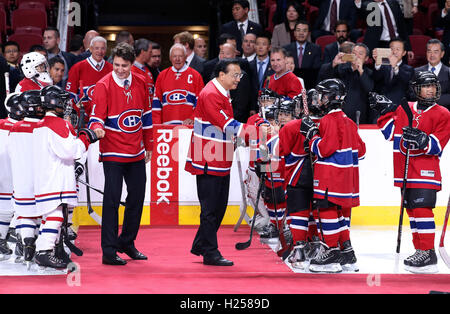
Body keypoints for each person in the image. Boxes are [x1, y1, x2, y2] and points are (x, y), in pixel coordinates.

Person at [185, 58, 266, 266]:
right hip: (208, 158)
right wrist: (260, 133)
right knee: (212, 209)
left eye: (240, 75)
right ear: (222, 75)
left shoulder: (221, 91)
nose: (238, 79)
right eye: (235, 75)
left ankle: (201, 244)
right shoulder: (211, 94)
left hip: (218, 158)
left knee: (217, 207)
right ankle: (210, 252)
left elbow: (227, 129)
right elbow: (228, 124)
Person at [372, 71, 450, 273]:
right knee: (412, 212)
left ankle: (428, 252)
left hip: (426, 171)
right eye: (425, 86)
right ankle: (420, 250)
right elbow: (390, 133)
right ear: (416, 89)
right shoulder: (404, 109)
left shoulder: (443, 113)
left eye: (433, 85)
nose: (430, 89)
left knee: (423, 210)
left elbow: (437, 145)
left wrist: (423, 140)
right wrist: (384, 112)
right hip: (404, 172)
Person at [89, 42, 152, 266]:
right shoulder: (103, 85)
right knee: (112, 201)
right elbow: (96, 115)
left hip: (136, 152)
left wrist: (149, 145)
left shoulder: (142, 82)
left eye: (124, 65)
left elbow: (146, 116)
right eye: (116, 64)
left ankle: (127, 242)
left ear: (132, 63)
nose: (119, 69)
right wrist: (97, 127)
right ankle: (108, 250)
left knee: (136, 199)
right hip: (113, 151)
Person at [301, 79, 366, 273]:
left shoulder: (328, 120)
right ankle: (346, 250)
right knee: (339, 215)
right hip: (347, 181)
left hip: (331, 178)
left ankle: (330, 250)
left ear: (332, 97)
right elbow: (362, 151)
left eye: (322, 95)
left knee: (328, 211)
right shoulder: (349, 121)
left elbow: (324, 149)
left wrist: (312, 136)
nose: (319, 99)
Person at [31, 85, 97, 269]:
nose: (66, 104)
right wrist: (86, 138)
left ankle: (48, 249)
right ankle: (44, 252)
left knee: (49, 216)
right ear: (55, 102)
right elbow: (71, 151)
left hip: (44, 177)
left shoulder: (39, 124)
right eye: (63, 100)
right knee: (56, 215)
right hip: (56, 179)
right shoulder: (58, 124)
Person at [319, 42, 374, 123]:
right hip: (338, 116)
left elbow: (370, 90)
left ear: (366, 58)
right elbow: (324, 79)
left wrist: (361, 71)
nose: (356, 56)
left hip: (359, 117)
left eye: (360, 54)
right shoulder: (341, 68)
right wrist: (333, 63)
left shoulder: (369, 73)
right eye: (354, 53)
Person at [152, 43, 204, 126]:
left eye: (180, 56)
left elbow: (201, 103)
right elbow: (156, 104)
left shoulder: (196, 76)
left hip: (188, 128)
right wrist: (157, 126)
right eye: (174, 56)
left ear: (186, 57)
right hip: (166, 129)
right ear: (170, 58)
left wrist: (193, 118)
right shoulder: (162, 76)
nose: (177, 59)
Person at [0, 93, 25, 260]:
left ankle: (4, 238)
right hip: (16, 170)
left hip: (7, 171)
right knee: (23, 205)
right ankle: (24, 241)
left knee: (7, 204)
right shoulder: (28, 126)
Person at [66, 36, 113, 121]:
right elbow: (70, 95)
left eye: (102, 48)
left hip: (105, 118)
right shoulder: (78, 67)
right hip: (82, 118)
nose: (100, 51)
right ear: (90, 49)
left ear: (106, 50)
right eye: (96, 48)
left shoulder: (111, 69)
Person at [373, 38, 414, 108]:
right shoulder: (382, 67)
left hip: (400, 107)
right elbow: (375, 80)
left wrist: (395, 67)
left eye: (398, 49)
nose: (394, 52)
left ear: (404, 53)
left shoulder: (409, 69)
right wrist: (377, 63)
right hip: (382, 107)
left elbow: (406, 82)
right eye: (392, 49)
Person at [283, 21, 322, 90]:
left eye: (304, 31)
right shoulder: (286, 49)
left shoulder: (316, 49)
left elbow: (316, 71)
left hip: (309, 86)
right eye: (298, 30)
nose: (301, 33)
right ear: (294, 33)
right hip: (289, 85)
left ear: (309, 33)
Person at [415, 39, 450, 110]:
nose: (432, 55)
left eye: (436, 52)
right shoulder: (417, 71)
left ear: (442, 54)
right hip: (421, 111)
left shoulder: (448, 72)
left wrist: (432, 101)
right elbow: (411, 93)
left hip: (444, 111)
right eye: (429, 51)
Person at [132, 38, 155, 104]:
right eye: (150, 52)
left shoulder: (147, 70)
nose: (151, 55)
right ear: (142, 52)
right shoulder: (132, 70)